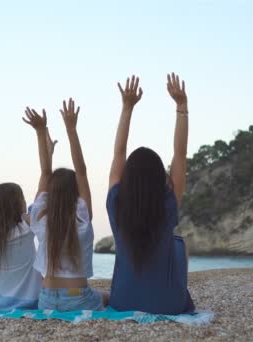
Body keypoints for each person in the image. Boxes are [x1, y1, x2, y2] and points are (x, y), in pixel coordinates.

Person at [106, 74, 195, 314]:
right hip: (170, 306)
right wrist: (181, 107)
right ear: (159, 177)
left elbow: (119, 152)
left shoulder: (116, 203)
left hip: (122, 302)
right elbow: (180, 153)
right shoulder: (168, 203)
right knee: (179, 244)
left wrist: (127, 108)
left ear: (127, 177)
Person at [23, 98, 104, 311]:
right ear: (75, 192)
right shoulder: (82, 215)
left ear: (50, 191)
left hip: (46, 299)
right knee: (107, 296)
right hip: (78, 298)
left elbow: (45, 173)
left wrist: (41, 132)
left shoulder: (40, 215)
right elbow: (82, 170)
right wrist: (71, 129)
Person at [0, 127, 56, 310]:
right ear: (19, 204)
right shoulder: (27, 225)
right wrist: (48, 152)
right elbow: (45, 180)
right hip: (29, 301)